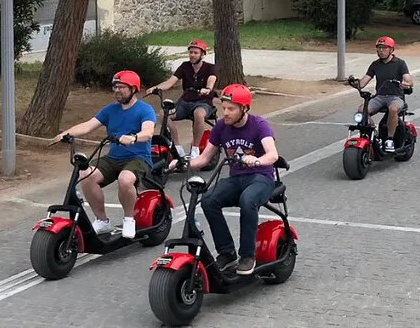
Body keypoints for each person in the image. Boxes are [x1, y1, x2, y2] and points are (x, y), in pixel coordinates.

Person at [171, 83, 279, 275]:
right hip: (237, 178)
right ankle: (227, 253)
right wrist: (181, 163)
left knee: (248, 201)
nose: (226, 113)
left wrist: (256, 160)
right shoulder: (221, 126)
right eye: (224, 108)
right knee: (208, 200)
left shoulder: (259, 124)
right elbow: (205, 158)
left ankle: (248, 256)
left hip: (261, 177)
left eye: (231, 109)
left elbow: (273, 155)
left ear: (244, 108)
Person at [52, 70, 156, 238]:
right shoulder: (110, 110)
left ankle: (129, 219)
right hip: (113, 158)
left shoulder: (145, 110)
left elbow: (148, 131)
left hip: (138, 159)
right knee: (86, 174)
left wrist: (134, 137)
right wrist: (65, 134)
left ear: (133, 89)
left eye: (122, 87)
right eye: (115, 87)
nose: (117, 91)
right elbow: (88, 126)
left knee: (125, 179)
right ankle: (102, 221)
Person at [146, 39, 217, 159]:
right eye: (190, 52)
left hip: (203, 102)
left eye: (195, 53)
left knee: (199, 114)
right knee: (163, 114)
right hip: (185, 102)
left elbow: (211, 79)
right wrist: (155, 88)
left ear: (202, 55)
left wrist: (208, 88)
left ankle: (195, 149)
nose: (192, 55)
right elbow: (170, 82)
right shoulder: (185, 66)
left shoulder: (210, 67)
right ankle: (177, 147)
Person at [353, 36, 413, 152]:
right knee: (361, 111)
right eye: (379, 48)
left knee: (393, 109)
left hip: (396, 97)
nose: (381, 51)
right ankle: (375, 134)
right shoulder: (375, 64)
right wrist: (353, 83)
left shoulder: (400, 63)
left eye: (384, 48)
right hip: (379, 97)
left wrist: (407, 83)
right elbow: (362, 83)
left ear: (391, 50)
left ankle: (389, 139)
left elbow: (408, 79)